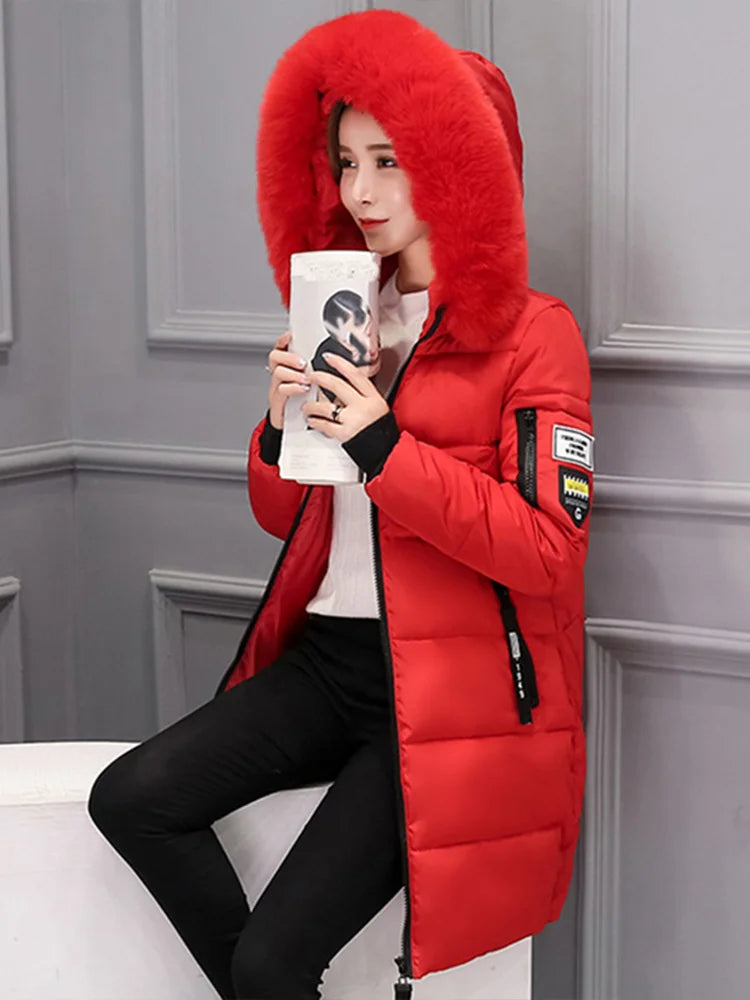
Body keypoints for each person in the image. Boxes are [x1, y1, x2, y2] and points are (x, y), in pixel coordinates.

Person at [87, 9, 594, 1000]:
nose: (360, 192)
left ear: (459, 166)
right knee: (133, 797)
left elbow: (548, 549)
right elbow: (286, 521)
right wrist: (282, 428)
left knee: (272, 960)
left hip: (449, 692)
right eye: (348, 162)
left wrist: (385, 449)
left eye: (389, 163)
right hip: (329, 662)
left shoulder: (538, 334)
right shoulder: (348, 312)